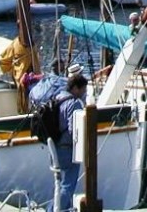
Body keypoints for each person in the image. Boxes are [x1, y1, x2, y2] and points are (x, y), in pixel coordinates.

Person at [53, 74, 88, 211]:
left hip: (55, 148)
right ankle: (52, 210)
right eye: (83, 89)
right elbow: (75, 130)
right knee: (68, 186)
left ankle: (61, 209)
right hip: (68, 149)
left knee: (59, 185)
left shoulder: (58, 97)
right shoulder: (74, 103)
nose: (84, 93)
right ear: (75, 88)